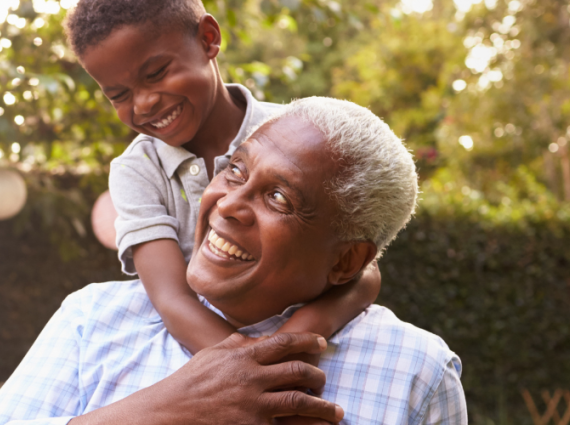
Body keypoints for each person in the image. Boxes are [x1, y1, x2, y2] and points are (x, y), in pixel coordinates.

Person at [0, 98, 467, 425]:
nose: (227, 203)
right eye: (235, 170)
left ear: (347, 262)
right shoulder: (95, 321)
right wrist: (168, 407)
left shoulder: (416, 372)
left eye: (278, 197)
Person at [63, 0, 381, 357]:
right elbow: (172, 299)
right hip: (202, 352)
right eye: (119, 95)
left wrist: (291, 342)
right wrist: (253, 371)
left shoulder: (296, 139)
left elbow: (362, 273)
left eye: (156, 74)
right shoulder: (137, 171)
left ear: (208, 38)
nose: (144, 104)